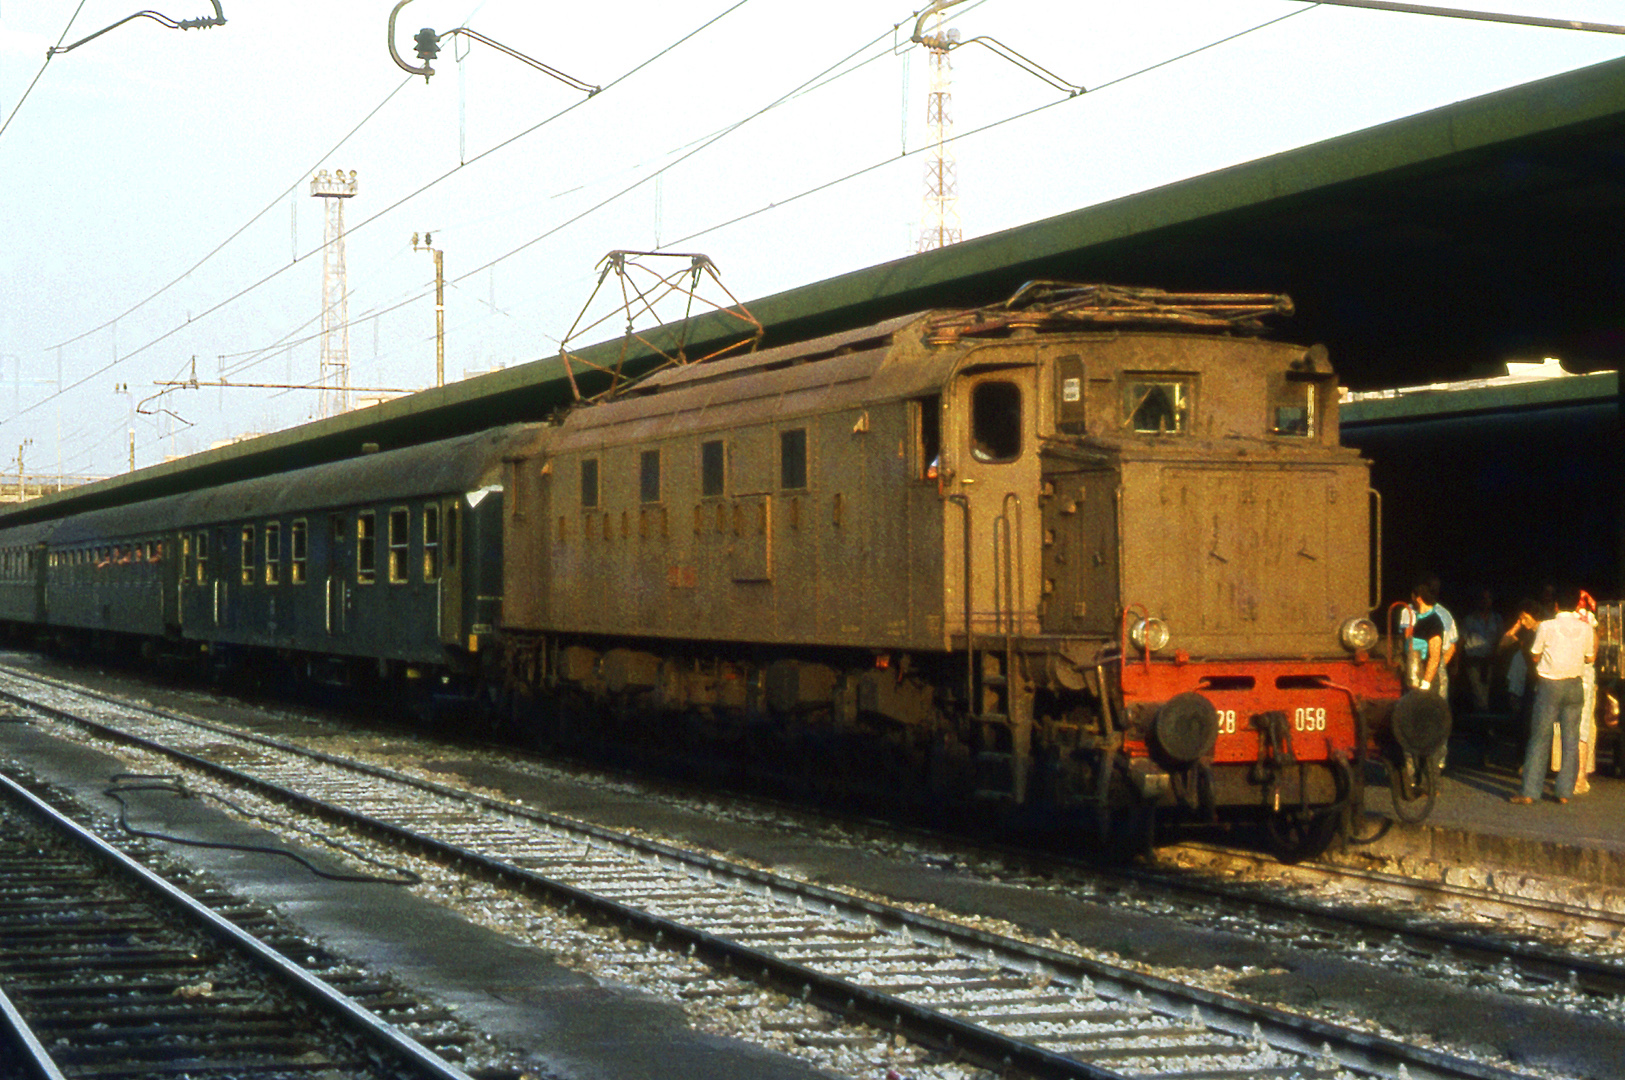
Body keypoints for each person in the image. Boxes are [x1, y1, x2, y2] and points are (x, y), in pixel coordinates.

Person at [1510, 586, 1596, 805]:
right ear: (1577, 604)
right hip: (1575, 684)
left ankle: (1530, 791)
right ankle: (1564, 792)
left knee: (1540, 737)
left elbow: (1535, 654)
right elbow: (1589, 658)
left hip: (1550, 684)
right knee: (1570, 739)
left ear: (1555, 605)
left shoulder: (1547, 626)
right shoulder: (1585, 629)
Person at [1461, 590, 1499, 712]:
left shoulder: (1497, 619)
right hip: (1474, 661)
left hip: (1490, 661)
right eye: (1483, 599)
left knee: (1487, 693)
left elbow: (1502, 640)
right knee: (1478, 693)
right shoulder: (1470, 619)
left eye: (1488, 599)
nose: (1485, 602)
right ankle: (1484, 723)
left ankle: (1485, 722)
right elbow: (1461, 640)